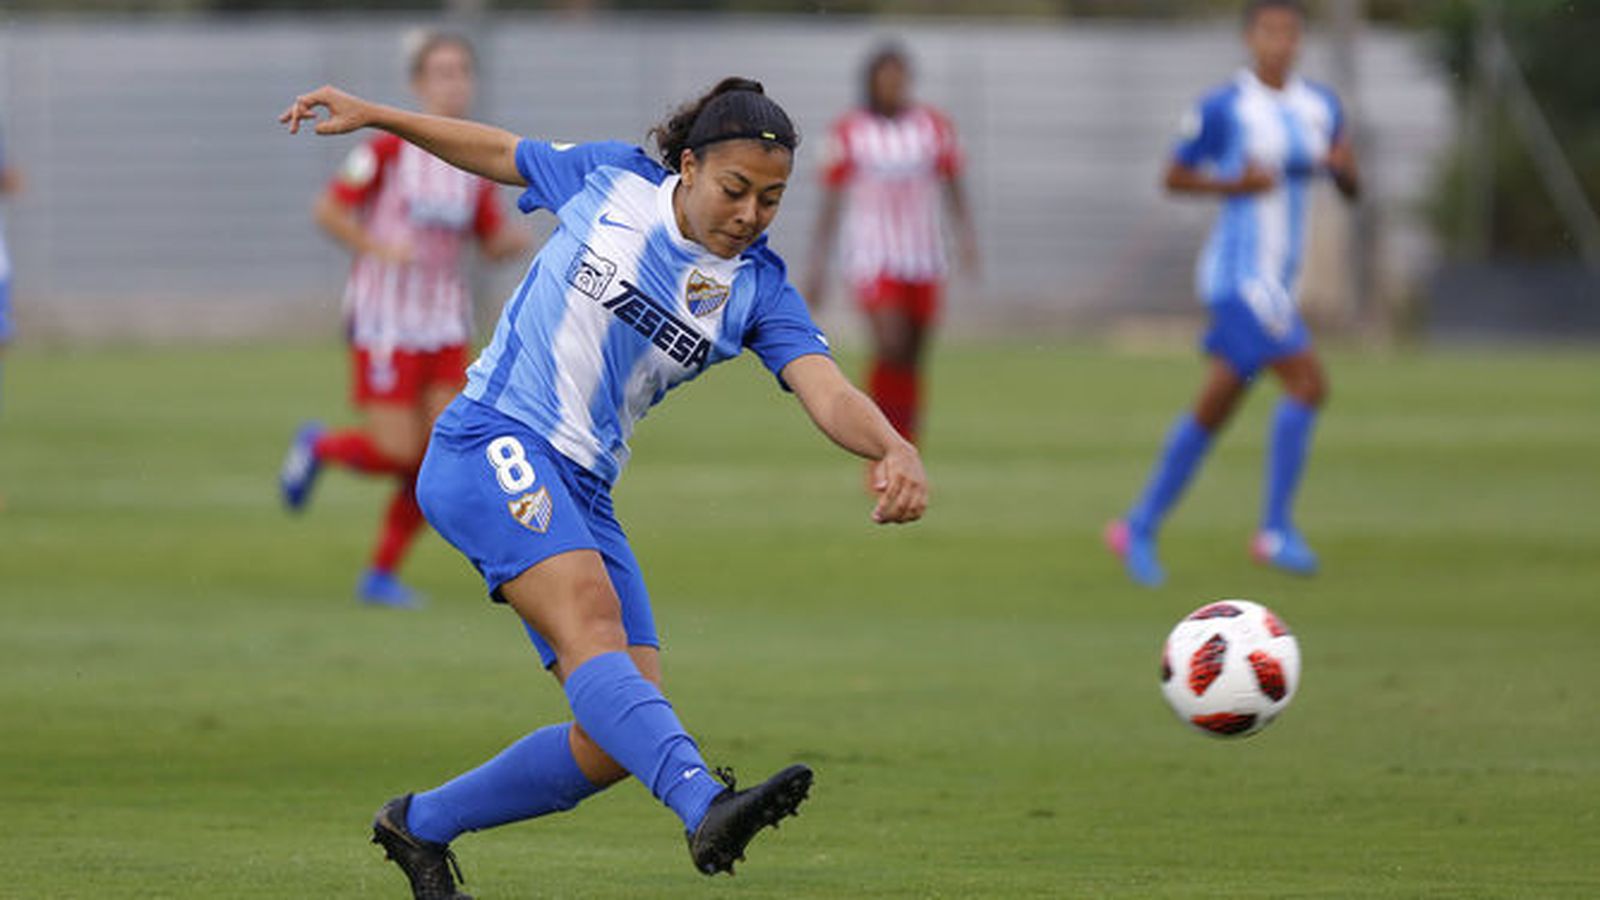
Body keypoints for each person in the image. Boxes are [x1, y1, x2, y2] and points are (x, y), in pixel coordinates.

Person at [280, 72, 928, 898]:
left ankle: (420, 824)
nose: (749, 214)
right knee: (593, 625)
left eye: (771, 199)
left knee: (616, 735)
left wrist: (892, 445)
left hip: (585, 488)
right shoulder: (611, 179)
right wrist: (377, 115)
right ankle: (704, 804)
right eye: (735, 189)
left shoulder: (758, 288)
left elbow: (826, 389)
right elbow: (498, 151)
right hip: (490, 439)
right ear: (688, 167)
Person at [1105, 0, 1360, 588]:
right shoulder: (1225, 107)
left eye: (1290, 32)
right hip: (1238, 277)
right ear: (1249, 38)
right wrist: (1233, 183)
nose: (1281, 42)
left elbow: (1349, 185)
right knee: (1308, 383)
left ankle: (1137, 525)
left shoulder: (1321, 107)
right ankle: (1274, 530)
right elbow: (1173, 176)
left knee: (1216, 405)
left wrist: (1346, 172)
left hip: (1280, 283)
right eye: (1269, 31)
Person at [278, 32, 529, 608]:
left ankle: (380, 574)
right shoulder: (387, 150)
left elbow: (488, 240)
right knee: (398, 452)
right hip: (386, 321)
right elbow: (329, 210)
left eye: (462, 71)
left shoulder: (474, 160)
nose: (455, 83)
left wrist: (513, 242)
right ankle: (320, 447)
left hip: (445, 323)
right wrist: (378, 248)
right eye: (442, 72)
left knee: (443, 452)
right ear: (417, 84)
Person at [804, 41, 978, 450]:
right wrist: (817, 264)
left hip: (924, 258)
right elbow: (831, 200)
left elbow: (953, 182)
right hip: (872, 257)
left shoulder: (934, 126)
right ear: (871, 82)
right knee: (890, 344)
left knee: (912, 356)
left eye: (900, 79)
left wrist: (966, 238)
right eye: (886, 79)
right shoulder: (849, 131)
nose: (894, 86)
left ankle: (905, 447)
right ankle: (879, 446)